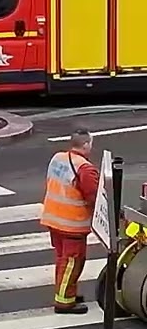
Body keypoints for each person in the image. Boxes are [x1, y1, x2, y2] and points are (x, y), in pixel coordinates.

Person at [41, 128, 99, 314]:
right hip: (72, 223)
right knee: (72, 262)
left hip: (53, 218)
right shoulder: (85, 168)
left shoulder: (58, 158)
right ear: (86, 145)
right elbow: (94, 197)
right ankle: (65, 302)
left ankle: (66, 292)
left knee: (62, 260)